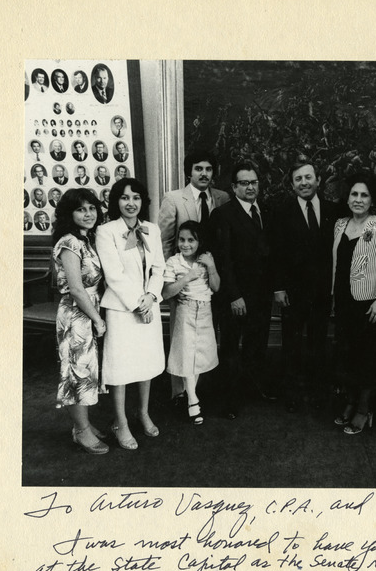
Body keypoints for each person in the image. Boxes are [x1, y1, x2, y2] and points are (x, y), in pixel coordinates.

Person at [95, 178, 166, 450]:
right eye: (125, 198)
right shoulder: (106, 231)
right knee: (122, 366)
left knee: (145, 362)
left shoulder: (152, 229)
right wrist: (138, 303)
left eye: (136, 198)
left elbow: (158, 268)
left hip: (149, 303)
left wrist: (151, 297)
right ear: (117, 202)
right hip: (122, 308)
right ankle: (120, 422)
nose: (131, 203)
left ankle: (144, 412)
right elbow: (114, 275)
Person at [331, 172, 376, 434]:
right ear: (347, 198)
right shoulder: (339, 225)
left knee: (367, 358)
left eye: (364, 195)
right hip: (345, 301)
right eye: (354, 194)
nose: (358, 200)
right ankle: (350, 401)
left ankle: (364, 409)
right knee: (347, 355)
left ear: (372, 199)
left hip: (370, 304)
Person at [271, 157, 337, 412]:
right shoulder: (281, 212)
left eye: (308, 177)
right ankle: (293, 395)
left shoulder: (334, 210)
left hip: (323, 290)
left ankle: (318, 394)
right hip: (292, 292)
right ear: (291, 185)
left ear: (318, 180)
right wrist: (278, 288)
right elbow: (275, 253)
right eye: (298, 179)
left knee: (319, 342)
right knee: (292, 342)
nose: (304, 182)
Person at [209, 161, 273, 417]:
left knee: (257, 344)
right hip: (235, 296)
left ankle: (252, 390)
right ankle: (230, 400)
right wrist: (234, 295)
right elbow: (223, 259)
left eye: (254, 182)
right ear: (234, 187)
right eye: (244, 183)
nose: (250, 187)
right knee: (231, 348)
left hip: (262, 295)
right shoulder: (223, 214)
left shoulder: (266, 211)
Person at [51, 188, 109, 454]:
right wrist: (97, 318)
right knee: (76, 373)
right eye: (81, 209)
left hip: (88, 309)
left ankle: (82, 425)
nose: (88, 214)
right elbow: (76, 288)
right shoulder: (69, 242)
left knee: (85, 372)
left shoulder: (86, 239)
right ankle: (81, 432)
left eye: (92, 208)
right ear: (69, 213)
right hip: (76, 314)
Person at [164, 221, 220, 425]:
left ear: (199, 241)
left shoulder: (206, 259)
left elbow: (216, 287)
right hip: (185, 309)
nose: (185, 244)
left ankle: (190, 395)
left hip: (205, 311)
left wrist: (211, 267)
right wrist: (188, 277)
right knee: (187, 353)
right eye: (182, 239)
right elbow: (166, 292)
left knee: (199, 355)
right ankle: (193, 401)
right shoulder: (173, 262)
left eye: (191, 240)